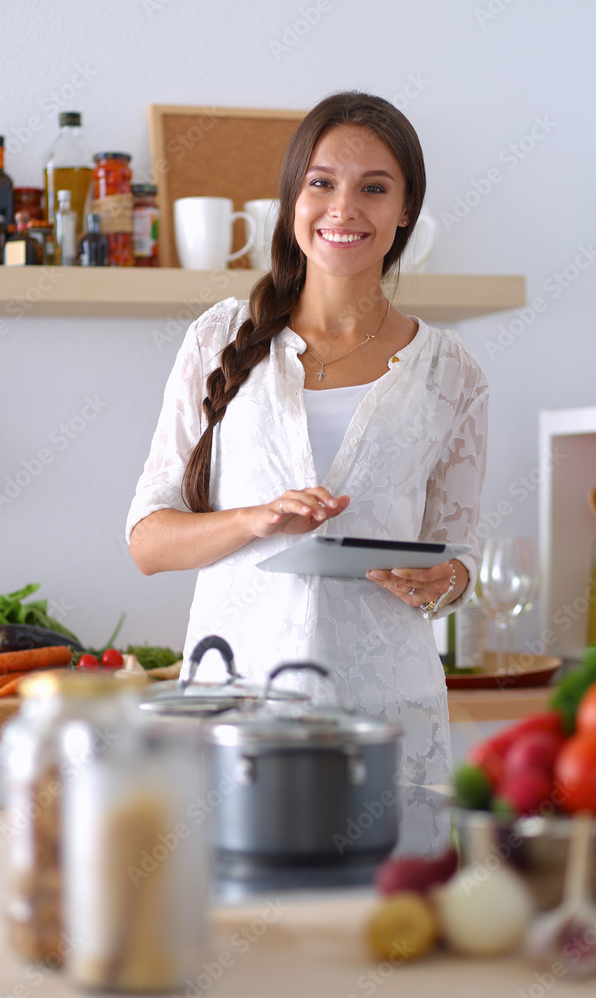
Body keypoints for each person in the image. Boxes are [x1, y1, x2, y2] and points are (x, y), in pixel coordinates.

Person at [126, 91, 489, 853]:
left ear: (404, 210)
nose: (343, 207)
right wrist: (254, 519)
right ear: (292, 196)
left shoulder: (451, 372)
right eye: (320, 182)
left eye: (373, 187)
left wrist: (443, 582)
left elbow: (455, 554)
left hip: (386, 712)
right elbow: (148, 542)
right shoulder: (219, 337)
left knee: (386, 942)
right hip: (239, 707)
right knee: (235, 939)